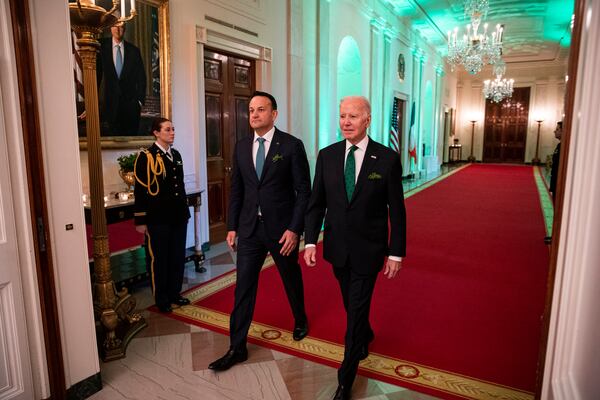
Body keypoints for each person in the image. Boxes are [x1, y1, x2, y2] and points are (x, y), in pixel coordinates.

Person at [303, 96, 407, 400]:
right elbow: (316, 203)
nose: (346, 122)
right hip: (336, 248)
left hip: (369, 250)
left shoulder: (386, 158)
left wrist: (395, 252)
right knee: (352, 303)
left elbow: (396, 211)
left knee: (355, 311)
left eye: (353, 116)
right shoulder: (327, 156)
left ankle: (345, 379)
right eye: (342, 116)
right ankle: (366, 332)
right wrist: (310, 241)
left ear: (368, 120)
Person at [208, 91, 311, 371]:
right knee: (243, 287)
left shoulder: (291, 146)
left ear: (274, 114)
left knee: (290, 278)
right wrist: (231, 226)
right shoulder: (242, 146)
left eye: (261, 110)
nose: (254, 114)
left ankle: (300, 318)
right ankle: (236, 347)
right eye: (251, 110)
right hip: (250, 230)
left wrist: (294, 229)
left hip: (281, 231)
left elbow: (304, 192)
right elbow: (237, 189)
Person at [134, 117, 190, 313]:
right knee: (160, 259)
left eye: (173, 129)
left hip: (178, 216)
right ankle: (162, 298)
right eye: (167, 129)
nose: (172, 132)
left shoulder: (176, 155)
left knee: (177, 256)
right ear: (156, 133)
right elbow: (140, 190)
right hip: (158, 218)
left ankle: (175, 293)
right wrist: (141, 220)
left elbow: (179, 186)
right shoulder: (146, 156)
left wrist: (185, 212)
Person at [98, 21, 146, 136]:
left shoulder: (134, 51)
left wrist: (139, 102)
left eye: (121, 26)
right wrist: (91, 102)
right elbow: (96, 75)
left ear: (125, 29)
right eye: (115, 26)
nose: (117, 29)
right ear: (110, 28)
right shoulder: (101, 47)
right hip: (109, 106)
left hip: (130, 108)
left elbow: (141, 77)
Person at [549, 121, 563, 201]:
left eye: (557, 129)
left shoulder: (563, 147)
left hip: (559, 181)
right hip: (555, 179)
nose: (555, 131)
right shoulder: (559, 145)